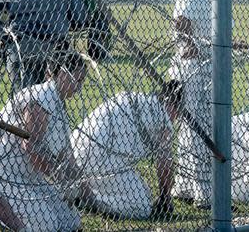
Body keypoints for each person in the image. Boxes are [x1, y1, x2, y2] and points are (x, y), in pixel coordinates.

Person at [0, 53, 90, 232]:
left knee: (71, 221)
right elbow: (30, 147)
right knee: (49, 225)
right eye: (77, 79)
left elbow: (64, 154)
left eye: (82, 80)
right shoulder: (42, 97)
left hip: (28, 174)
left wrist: (81, 184)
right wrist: (59, 177)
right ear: (61, 73)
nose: (80, 87)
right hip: (5, 170)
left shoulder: (58, 103)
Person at [70, 81, 181, 220]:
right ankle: (89, 199)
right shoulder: (163, 116)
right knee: (142, 206)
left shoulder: (137, 99)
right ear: (173, 106)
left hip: (75, 155)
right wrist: (165, 197)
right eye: (178, 112)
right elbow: (166, 164)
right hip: (101, 160)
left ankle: (80, 187)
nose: (176, 118)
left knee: (144, 191)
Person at [168, 0, 212, 208]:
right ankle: (203, 193)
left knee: (191, 129)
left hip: (201, 68)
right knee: (197, 129)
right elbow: (180, 22)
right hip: (191, 69)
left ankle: (184, 186)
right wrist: (188, 44)